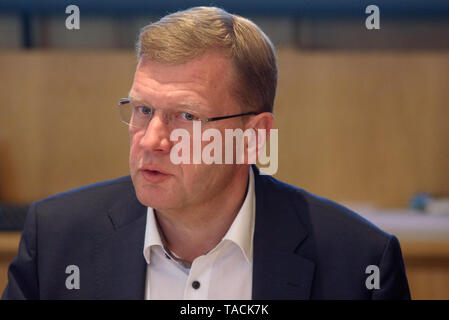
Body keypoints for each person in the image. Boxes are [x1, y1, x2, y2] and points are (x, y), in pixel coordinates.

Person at [2, 6, 410, 300]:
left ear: (253, 136)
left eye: (186, 116)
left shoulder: (359, 265)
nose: (150, 140)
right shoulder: (55, 242)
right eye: (143, 110)